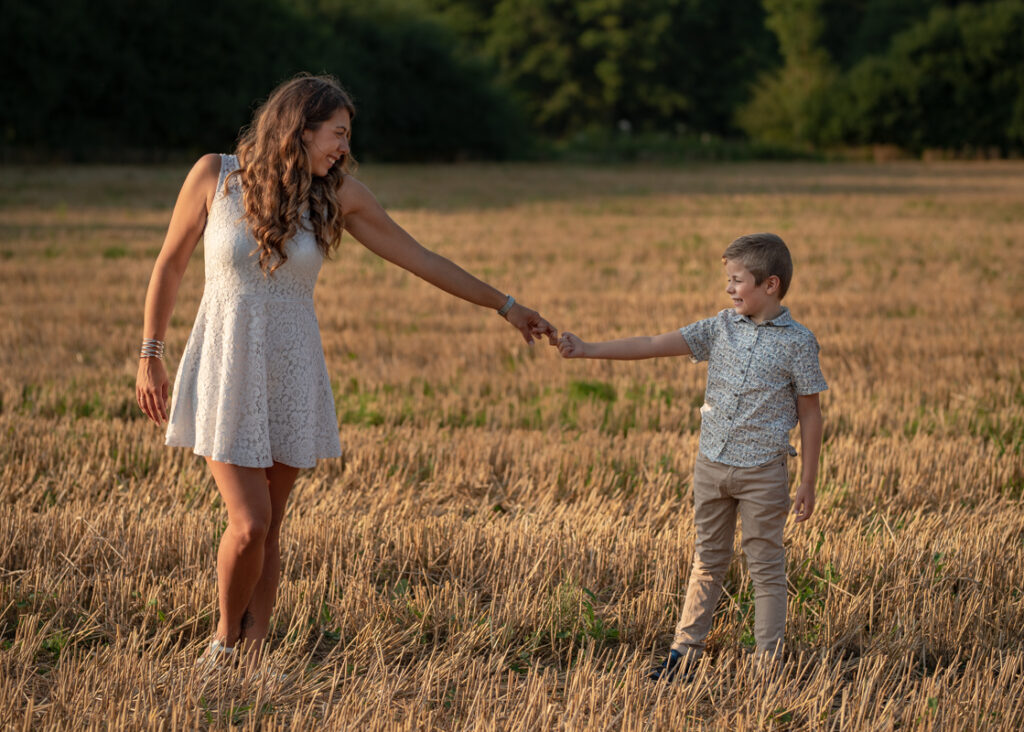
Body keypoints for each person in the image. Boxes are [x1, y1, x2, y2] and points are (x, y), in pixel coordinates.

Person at [135, 74, 558, 667]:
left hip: (291, 369)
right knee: (250, 522)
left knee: (273, 526)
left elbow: (423, 259)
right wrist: (150, 352)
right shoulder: (215, 174)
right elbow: (171, 262)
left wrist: (507, 306)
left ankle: (253, 655)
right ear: (298, 128)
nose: (342, 147)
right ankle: (223, 643)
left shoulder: (338, 196)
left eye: (345, 136)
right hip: (226, 364)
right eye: (336, 133)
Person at [557, 232, 826, 680]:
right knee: (707, 561)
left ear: (770, 285)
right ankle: (685, 652)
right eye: (728, 279)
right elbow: (650, 343)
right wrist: (588, 349)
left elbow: (812, 416)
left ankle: (767, 665)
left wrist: (808, 481)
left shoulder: (798, 342)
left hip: (764, 472)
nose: (728, 289)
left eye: (737, 280)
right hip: (712, 466)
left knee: (766, 568)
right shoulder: (717, 328)